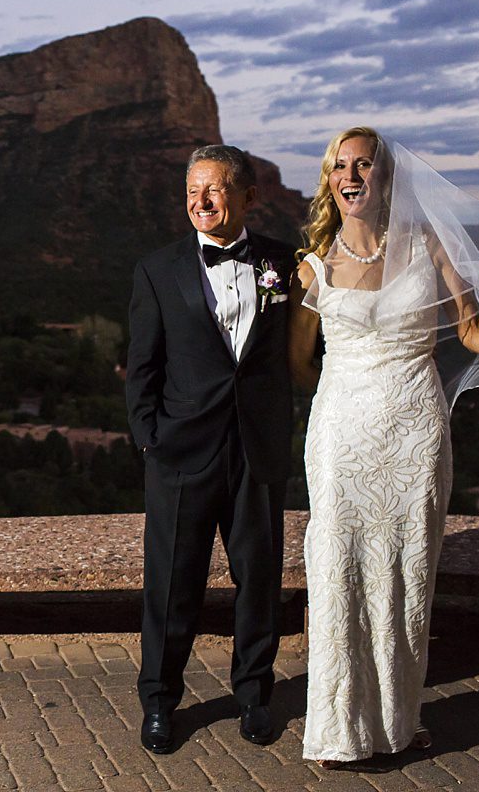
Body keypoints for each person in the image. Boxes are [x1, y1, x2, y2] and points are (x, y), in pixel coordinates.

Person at [288, 126, 479, 767]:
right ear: (330, 181)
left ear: (386, 177)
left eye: (364, 164)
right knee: (338, 570)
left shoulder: (427, 244)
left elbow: (471, 331)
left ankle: (396, 724)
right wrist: (338, 399)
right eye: (340, 166)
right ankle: (336, 731)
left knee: (407, 572)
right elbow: (300, 364)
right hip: (342, 437)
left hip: (415, 431)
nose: (351, 175)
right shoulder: (311, 267)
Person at [126, 144, 299, 753]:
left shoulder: (286, 262)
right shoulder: (157, 268)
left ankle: (254, 695)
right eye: (191, 192)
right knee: (171, 584)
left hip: (257, 449)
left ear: (250, 197)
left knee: (259, 579)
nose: (200, 202)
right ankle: (159, 702)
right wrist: (150, 438)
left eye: (215, 190)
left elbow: (302, 353)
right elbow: (141, 367)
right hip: (180, 452)